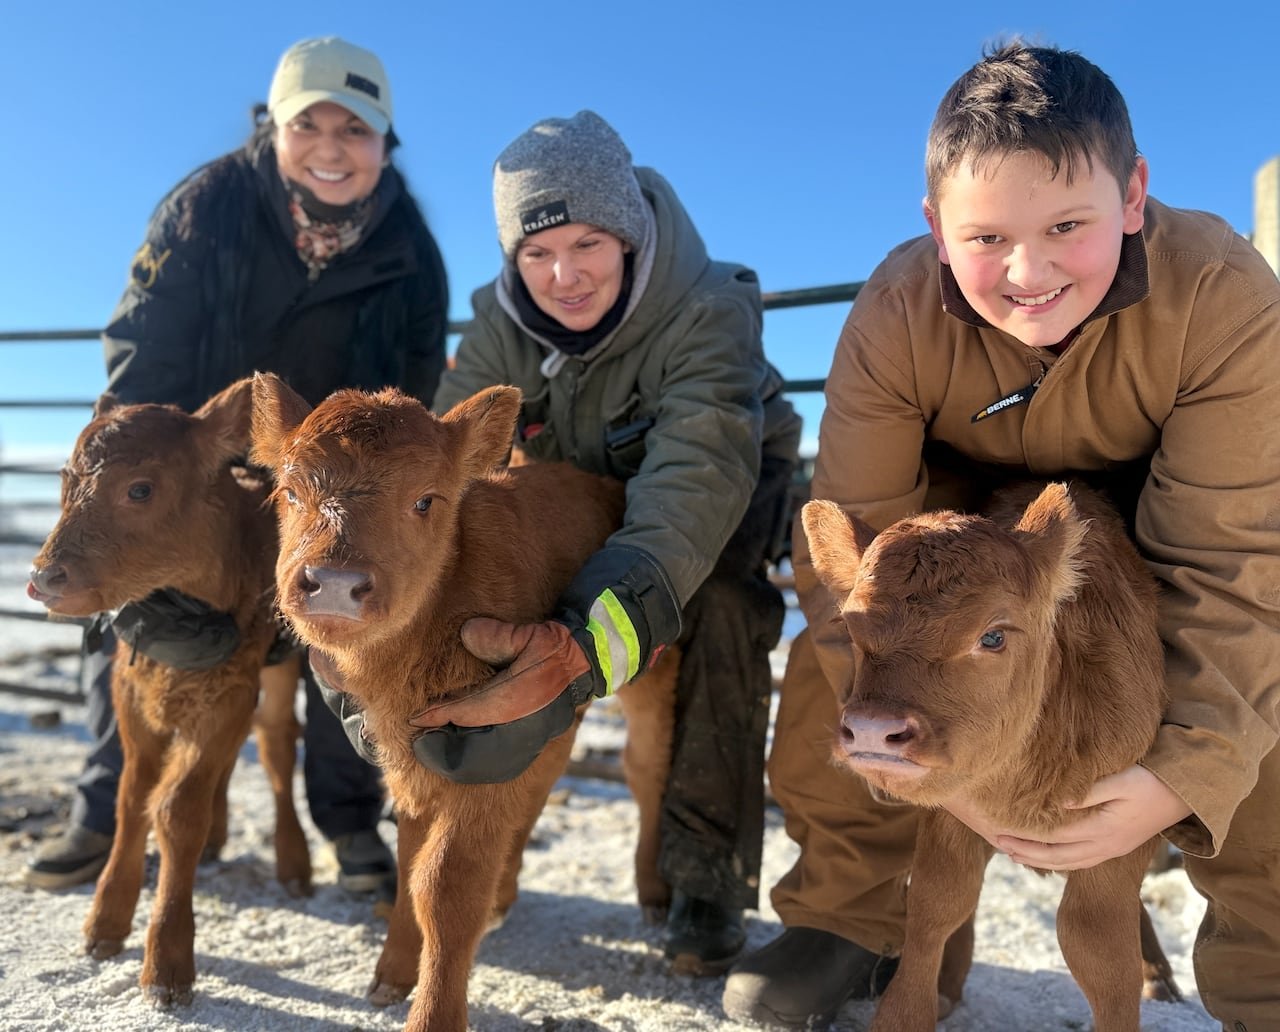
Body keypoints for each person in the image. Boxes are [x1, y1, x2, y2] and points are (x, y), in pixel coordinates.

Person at [723, 40, 1280, 1031]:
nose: (1026, 272)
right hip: (949, 527)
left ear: (1134, 195)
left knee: (1259, 711)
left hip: (1154, 519)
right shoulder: (895, 307)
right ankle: (843, 922)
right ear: (935, 226)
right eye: (984, 239)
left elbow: (1233, 564)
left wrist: (1180, 770)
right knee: (857, 671)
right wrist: (950, 778)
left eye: (1067, 224)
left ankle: (1266, 967)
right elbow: (847, 548)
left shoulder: (1224, 299)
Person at [25, 36, 449, 902]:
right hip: (199, 465)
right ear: (275, 127)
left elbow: (410, 395)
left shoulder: (412, 252)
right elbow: (143, 355)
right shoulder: (205, 206)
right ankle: (106, 809)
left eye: (356, 129)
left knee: (356, 610)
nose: (332, 146)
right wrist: (163, 471)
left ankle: (345, 816)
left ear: (384, 144)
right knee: (134, 579)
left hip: (332, 488)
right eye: (310, 124)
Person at [421, 110, 802, 975]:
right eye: (536, 253)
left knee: (724, 617)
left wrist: (596, 636)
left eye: (588, 243)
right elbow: (442, 465)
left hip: (721, 486)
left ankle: (701, 876)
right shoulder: (499, 325)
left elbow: (693, 478)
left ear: (628, 235)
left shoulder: (706, 310)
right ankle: (493, 856)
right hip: (579, 487)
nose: (564, 275)